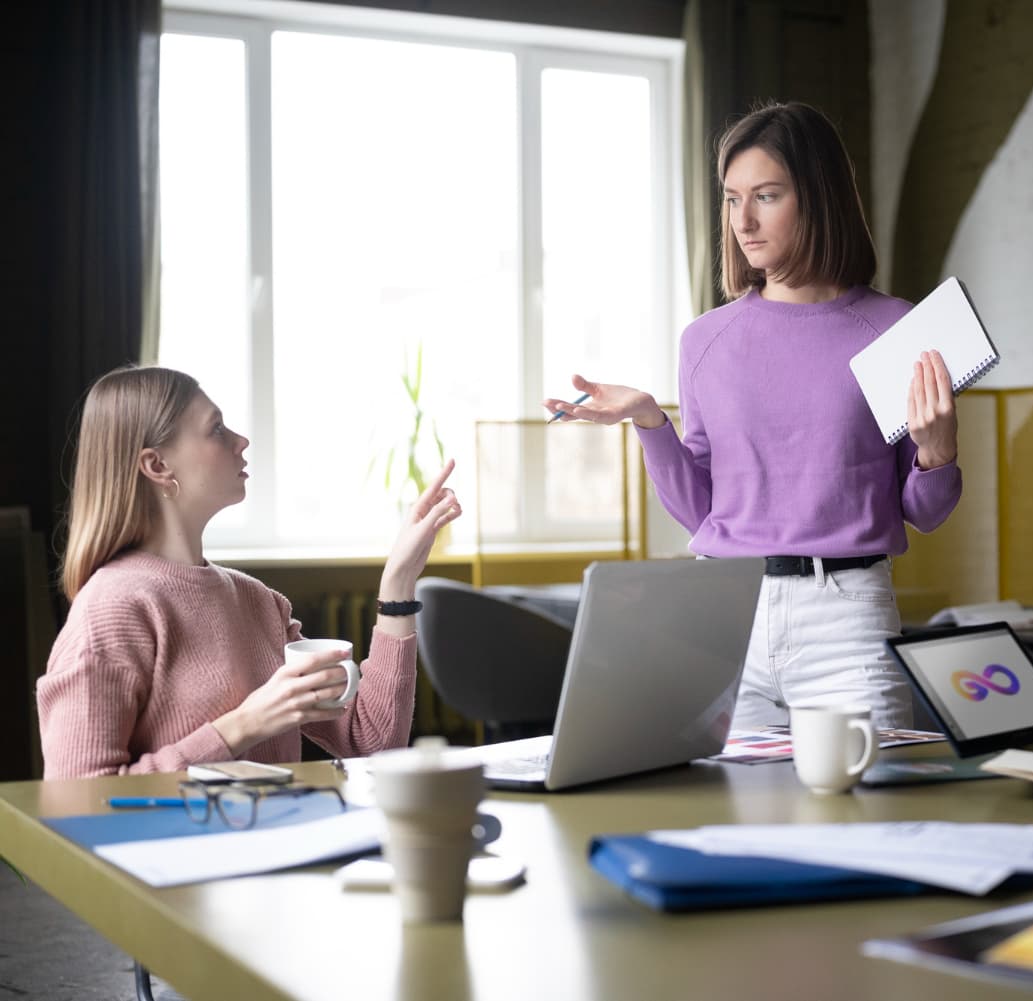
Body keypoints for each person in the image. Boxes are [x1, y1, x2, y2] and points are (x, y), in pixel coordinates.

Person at [543, 102, 962, 728]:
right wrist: (650, 422)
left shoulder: (894, 328)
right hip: (726, 614)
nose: (744, 219)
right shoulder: (706, 340)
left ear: (818, 197)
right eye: (732, 198)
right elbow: (703, 514)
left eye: (765, 195)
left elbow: (925, 512)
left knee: (866, 816)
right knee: (734, 818)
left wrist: (936, 451)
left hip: (848, 619)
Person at [38, 366, 462, 778]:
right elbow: (77, 800)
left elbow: (371, 743)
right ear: (157, 466)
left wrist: (399, 582)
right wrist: (244, 726)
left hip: (281, 845)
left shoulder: (257, 600)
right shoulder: (111, 610)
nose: (241, 440)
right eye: (216, 429)